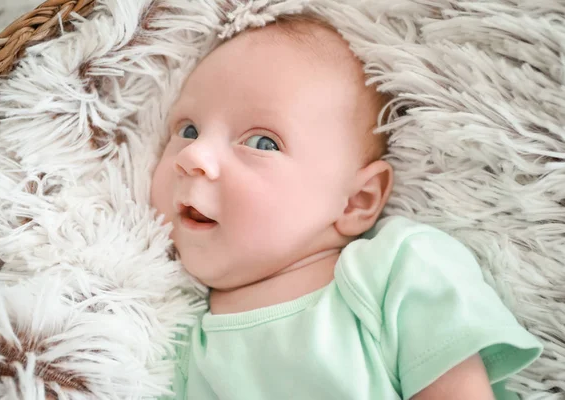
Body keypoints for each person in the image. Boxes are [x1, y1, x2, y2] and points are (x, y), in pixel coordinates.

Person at [150, 15, 542, 400]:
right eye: (188, 130)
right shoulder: (173, 344)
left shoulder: (397, 274)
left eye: (262, 143)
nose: (193, 155)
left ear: (357, 201)